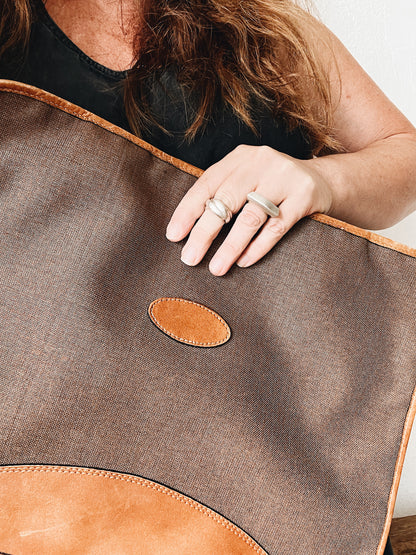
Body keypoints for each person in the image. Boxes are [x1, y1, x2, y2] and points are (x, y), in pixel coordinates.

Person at [0, 1, 412, 553]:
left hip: (256, 474)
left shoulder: (262, 25)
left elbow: (406, 154)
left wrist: (321, 179)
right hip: (35, 464)